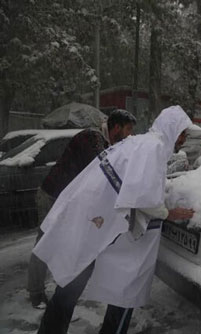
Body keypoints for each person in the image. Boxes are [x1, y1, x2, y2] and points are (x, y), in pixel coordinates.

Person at [32, 105, 201, 334]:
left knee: (74, 277)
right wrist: (168, 212)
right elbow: (143, 197)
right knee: (117, 286)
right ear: (171, 128)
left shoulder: (142, 143)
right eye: (182, 133)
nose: (183, 139)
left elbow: (135, 186)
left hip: (94, 216)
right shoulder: (154, 147)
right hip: (96, 217)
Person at [28, 109, 137, 309]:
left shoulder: (103, 142)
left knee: (66, 240)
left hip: (65, 199)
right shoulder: (91, 137)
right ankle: (35, 293)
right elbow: (103, 169)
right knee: (45, 241)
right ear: (116, 127)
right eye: (128, 129)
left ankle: (63, 281)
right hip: (52, 195)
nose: (130, 135)